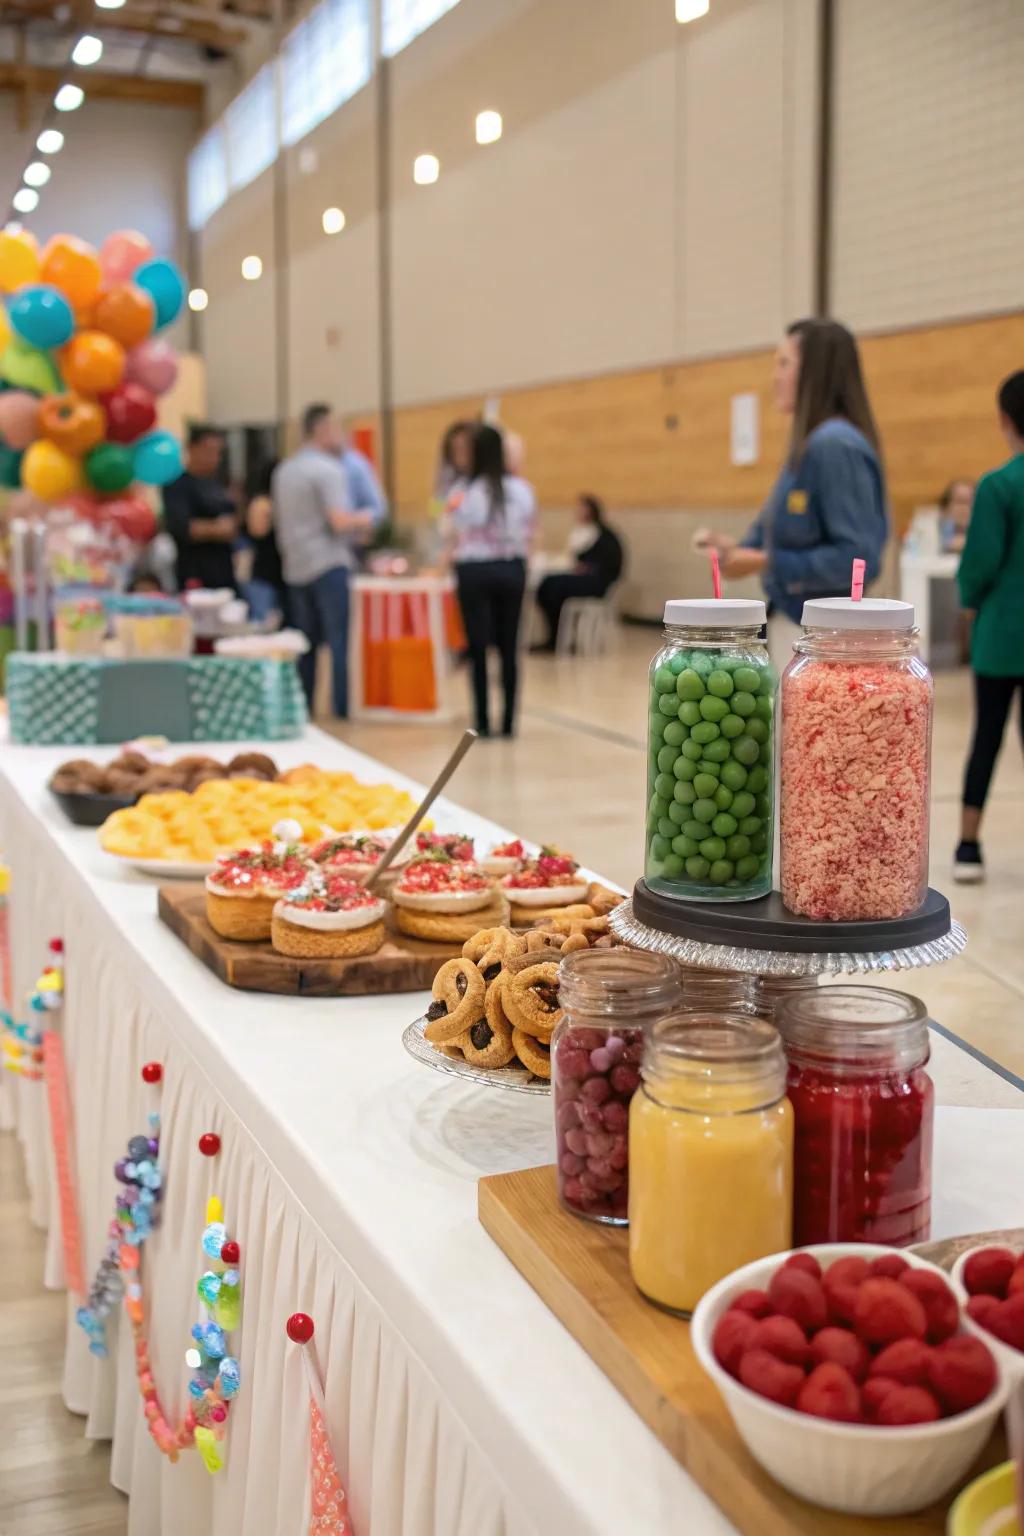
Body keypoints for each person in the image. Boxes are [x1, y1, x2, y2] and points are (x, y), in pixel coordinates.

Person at [694, 319, 888, 672]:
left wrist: (767, 561)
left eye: (784, 364)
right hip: (794, 627)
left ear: (815, 372)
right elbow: (776, 530)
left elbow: (857, 556)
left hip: (824, 641)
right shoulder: (808, 444)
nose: (775, 377)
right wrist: (736, 551)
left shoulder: (834, 445)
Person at [953, 371, 1024, 883]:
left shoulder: (999, 486)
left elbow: (979, 563)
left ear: (1004, 419)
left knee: (988, 737)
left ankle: (969, 845)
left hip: (1002, 634)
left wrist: (969, 599)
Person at [272, 404, 380, 718]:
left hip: (295, 567)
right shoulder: (329, 470)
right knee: (338, 643)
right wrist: (367, 520)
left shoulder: (285, 471)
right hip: (328, 564)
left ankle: (305, 708)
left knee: (305, 645)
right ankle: (342, 709)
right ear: (322, 430)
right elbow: (340, 522)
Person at [451, 424, 536, 737]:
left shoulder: (466, 491)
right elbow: (529, 527)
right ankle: (509, 722)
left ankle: (483, 722)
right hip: (511, 569)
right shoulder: (522, 490)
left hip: (475, 571)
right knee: (509, 648)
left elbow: (451, 526)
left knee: (478, 649)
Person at [534, 494, 624, 650]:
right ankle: (555, 636)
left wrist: (587, 567)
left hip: (597, 582)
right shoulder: (580, 531)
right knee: (545, 585)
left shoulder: (602, 534)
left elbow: (604, 564)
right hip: (584, 578)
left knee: (553, 586)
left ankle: (557, 639)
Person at [162, 424, 238, 592]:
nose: (214, 458)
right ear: (192, 448)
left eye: (218, 452)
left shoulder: (217, 484)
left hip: (224, 570)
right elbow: (182, 528)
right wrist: (216, 529)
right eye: (209, 450)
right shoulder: (177, 485)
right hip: (195, 572)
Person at [244, 459, 285, 622]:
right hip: (264, 572)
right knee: (262, 622)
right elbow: (257, 531)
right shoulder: (261, 503)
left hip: (282, 573)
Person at [938, 477, 975, 553]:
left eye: (969, 502)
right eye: (959, 501)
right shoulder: (936, 526)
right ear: (946, 507)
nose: (964, 508)